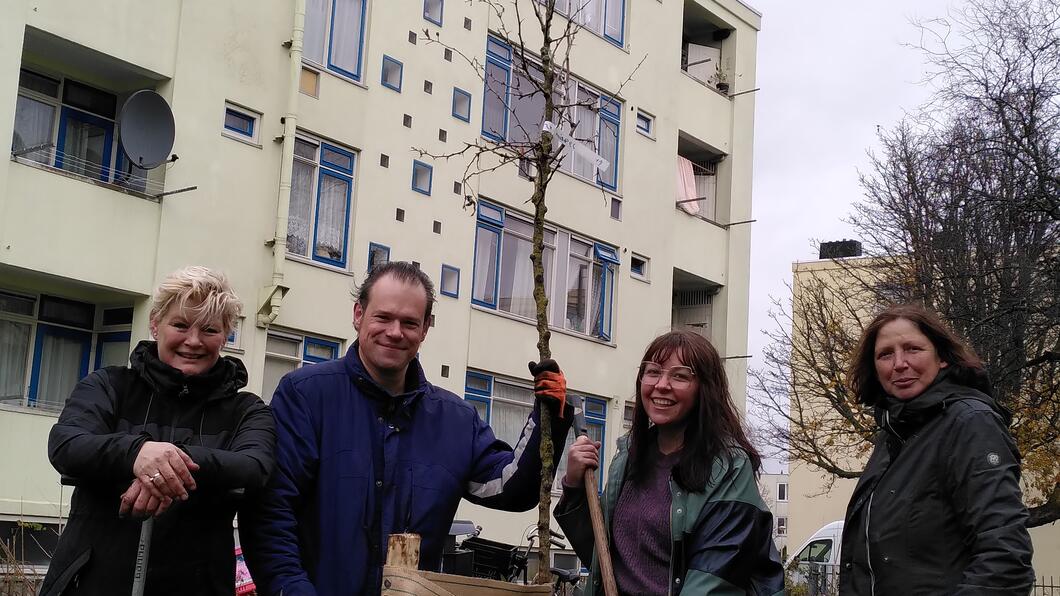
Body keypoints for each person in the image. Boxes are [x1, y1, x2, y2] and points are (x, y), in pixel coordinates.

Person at [241, 261, 572, 596]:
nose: (395, 332)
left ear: (425, 328)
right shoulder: (306, 397)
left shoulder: (455, 420)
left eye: (409, 322)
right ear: (359, 315)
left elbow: (512, 490)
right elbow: (269, 515)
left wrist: (548, 418)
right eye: (383, 317)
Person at [39, 266, 277, 596]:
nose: (193, 341)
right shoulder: (109, 385)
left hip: (196, 586)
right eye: (180, 324)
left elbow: (255, 466)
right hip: (91, 583)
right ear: (155, 323)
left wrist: (164, 466)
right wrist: (136, 453)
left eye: (209, 330)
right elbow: (67, 444)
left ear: (226, 336)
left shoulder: (247, 410)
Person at [556, 330, 783, 595]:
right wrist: (573, 486)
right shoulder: (629, 457)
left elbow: (715, 579)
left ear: (705, 389)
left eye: (680, 376)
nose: (662, 384)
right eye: (653, 372)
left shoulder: (729, 469)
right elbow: (601, 558)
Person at [840, 304, 1034, 594]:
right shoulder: (893, 435)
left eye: (913, 349)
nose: (899, 363)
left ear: (942, 357)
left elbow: (1005, 556)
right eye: (886, 354)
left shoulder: (970, 423)